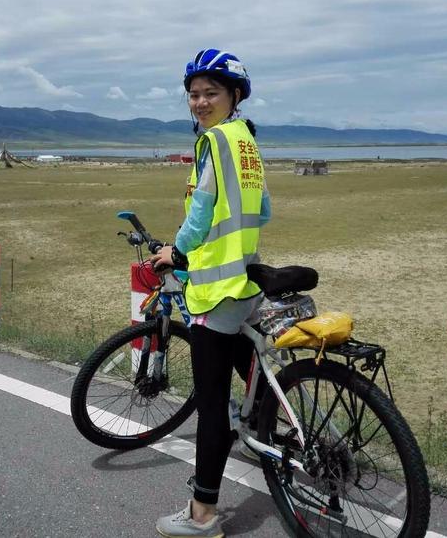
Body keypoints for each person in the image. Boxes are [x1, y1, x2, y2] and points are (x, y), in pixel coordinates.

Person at [151, 49, 271, 538]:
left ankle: (203, 516)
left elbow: (201, 211)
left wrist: (176, 254)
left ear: (233, 95)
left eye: (210, 93)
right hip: (246, 277)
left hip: (215, 289)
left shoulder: (213, 142)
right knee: (251, 371)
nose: (199, 102)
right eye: (194, 94)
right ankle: (267, 432)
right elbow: (262, 210)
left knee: (213, 406)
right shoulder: (245, 140)